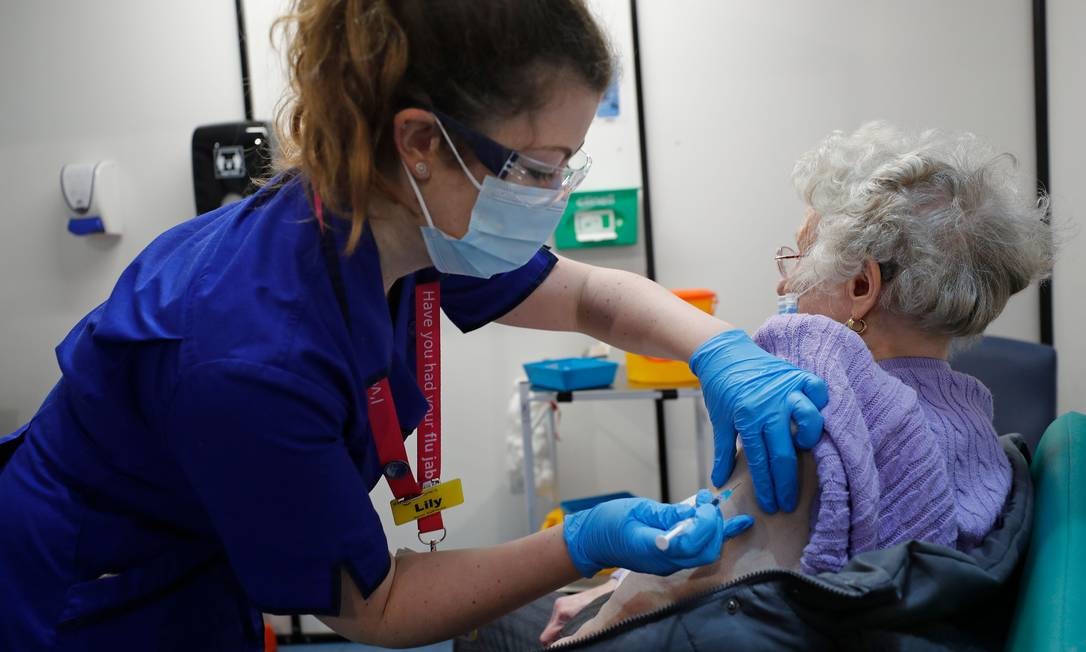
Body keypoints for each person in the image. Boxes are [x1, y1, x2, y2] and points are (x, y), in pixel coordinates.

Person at [0, 2, 829, 650]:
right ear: (423, 142)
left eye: (568, 166)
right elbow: (376, 606)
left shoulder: (398, 230)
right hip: (87, 591)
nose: (556, 196)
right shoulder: (250, 355)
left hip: (198, 558)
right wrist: (587, 540)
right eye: (538, 169)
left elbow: (587, 299)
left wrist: (717, 348)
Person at [535, 122, 1054, 646]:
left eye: (799, 257)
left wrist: (601, 604)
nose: (784, 282)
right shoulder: (972, 426)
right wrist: (614, 584)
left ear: (861, 286)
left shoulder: (818, 407)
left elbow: (671, 594)